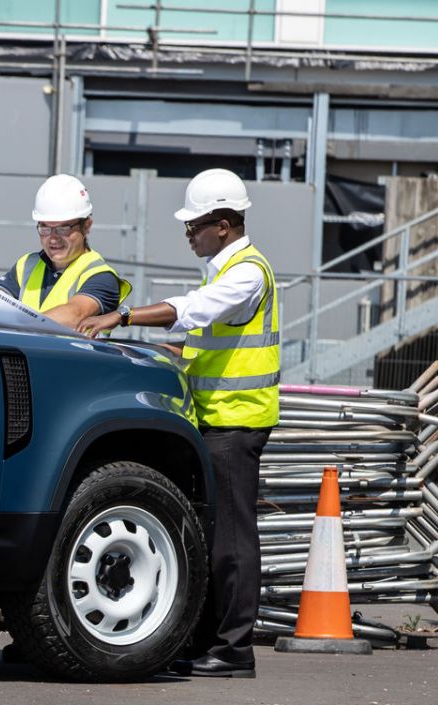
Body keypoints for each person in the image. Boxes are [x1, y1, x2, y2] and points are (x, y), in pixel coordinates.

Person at [79, 168, 279, 679]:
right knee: (213, 537)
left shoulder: (247, 272)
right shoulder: (224, 268)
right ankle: (211, 641)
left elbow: (194, 311)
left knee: (232, 540)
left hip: (236, 423)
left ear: (226, 224)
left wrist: (121, 318)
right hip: (214, 420)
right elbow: (206, 341)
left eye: (196, 224)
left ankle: (235, 650)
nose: (188, 232)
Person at [0, 174, 130, 333]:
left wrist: (16, 326)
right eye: (45, 228)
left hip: (71, 358)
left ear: (86, 226)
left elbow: (75, 314)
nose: (53, 237)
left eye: (63, 228)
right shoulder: (27, 265)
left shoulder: (100, 276)